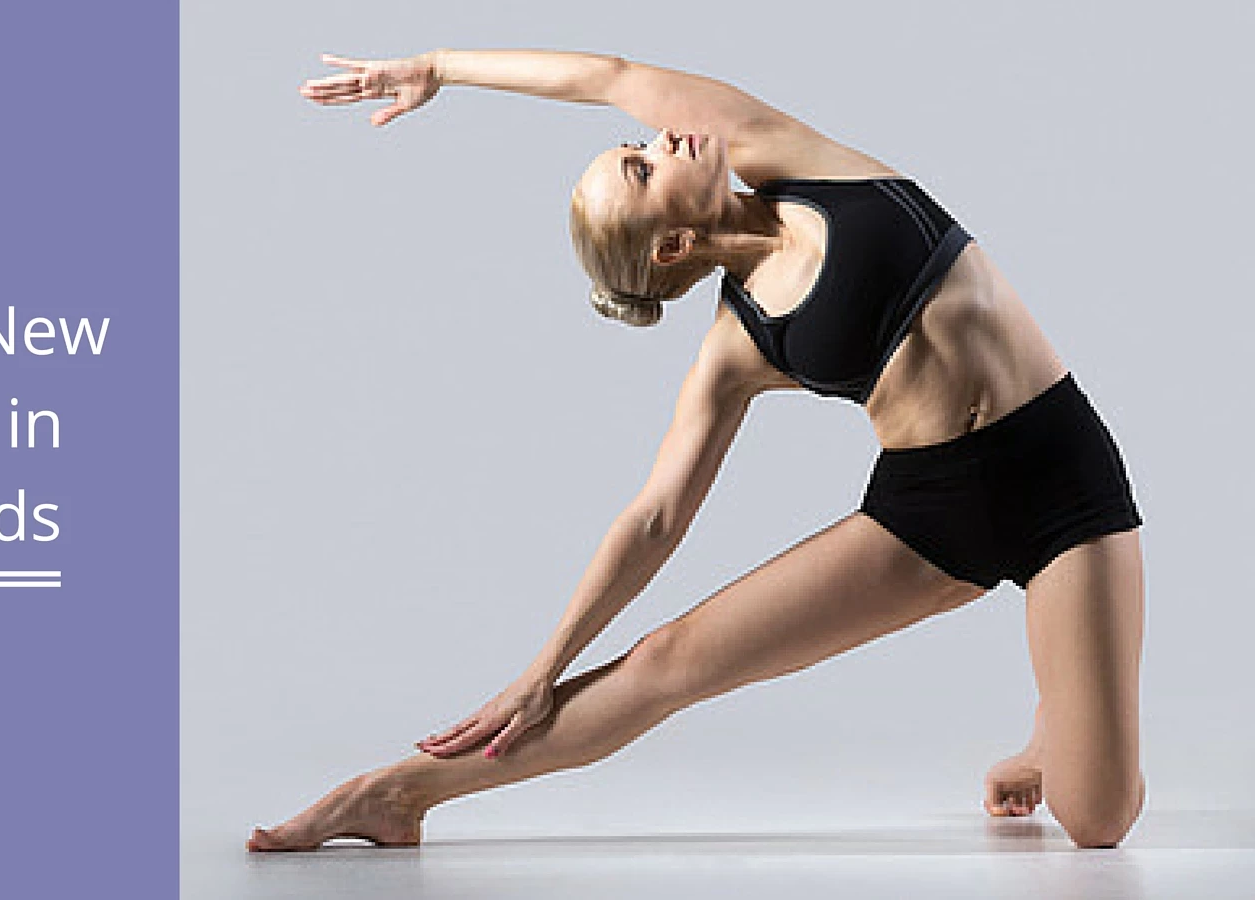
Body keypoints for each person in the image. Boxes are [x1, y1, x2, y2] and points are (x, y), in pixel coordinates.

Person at [250, 48, 1146, 852]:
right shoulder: (739, 343)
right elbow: (654, 516)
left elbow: (608, 77)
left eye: (636, 146)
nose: (657, 137)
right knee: (660, 665)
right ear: (674, 242)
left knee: (1096, 822)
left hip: (1061, 473)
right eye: (640, 166)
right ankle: (401, 793)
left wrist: (441, 67)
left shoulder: (794, 160)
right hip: (928, 514)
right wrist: (541, 669)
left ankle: (1053, 730)